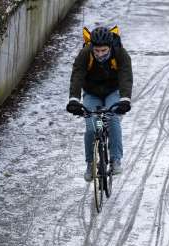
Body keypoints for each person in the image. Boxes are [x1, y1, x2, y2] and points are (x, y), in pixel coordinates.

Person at [66, 26, 133, 181]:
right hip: (92, 93)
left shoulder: (120, 54)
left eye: (103, 51)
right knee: (91, 126)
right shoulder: (85, 54)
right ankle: (90, 164)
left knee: (112, 118)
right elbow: (77, 75)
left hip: (112, 92)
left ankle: (115, 159)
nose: (100, 54)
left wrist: (125, 99)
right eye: (97, 51)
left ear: (110, 47)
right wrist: (74, 100)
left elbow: (126, 76)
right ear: (92, 48)